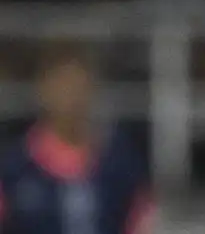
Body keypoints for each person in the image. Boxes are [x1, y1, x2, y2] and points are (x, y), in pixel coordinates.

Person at [0, 45, 153, 234]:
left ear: (92, 90)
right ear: (43, 90)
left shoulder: (121, 161)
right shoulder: (13, 167)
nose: (71, 98)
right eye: (62, 86)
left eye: (78, 86)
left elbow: (142, 223)